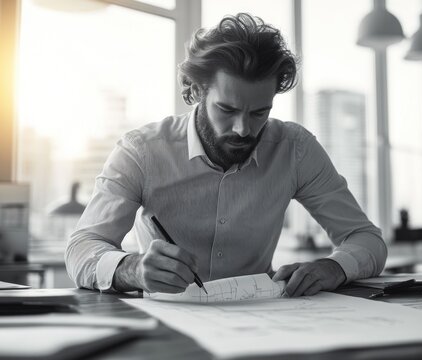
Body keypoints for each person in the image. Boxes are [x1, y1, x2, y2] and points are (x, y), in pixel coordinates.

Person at [65, 13, 386, 297]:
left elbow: (366, 239)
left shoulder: (296, 149)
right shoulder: (142, 151)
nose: (244, 129)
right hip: (168, 323)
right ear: (194, 91)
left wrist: (335, 268)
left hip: (265, 321)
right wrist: (131, 268)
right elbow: (81, 249)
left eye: (260, 112)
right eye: (227, 109)